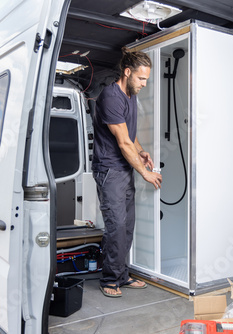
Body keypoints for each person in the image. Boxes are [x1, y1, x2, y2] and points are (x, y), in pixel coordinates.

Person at [92, 47, 162, 297]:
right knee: (116, 225)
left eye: (146, 79)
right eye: (141, 78)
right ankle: (109, 279)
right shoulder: (111, 97)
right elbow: (122, 142)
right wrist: (145, 172)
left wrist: (141, 151)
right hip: (109, 169)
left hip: (123, 168)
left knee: (127, 225)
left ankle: (121, 274)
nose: (144, 84)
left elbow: (130, 137)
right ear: (127, 71)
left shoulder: (131, 95)